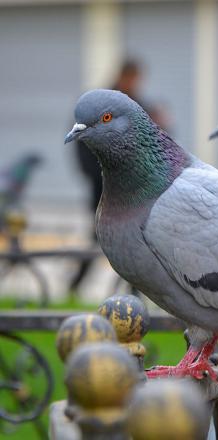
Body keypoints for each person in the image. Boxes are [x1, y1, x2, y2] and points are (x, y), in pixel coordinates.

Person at [69, 59, 171, 292]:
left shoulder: (140, 105)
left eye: (138, 78)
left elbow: (157, 141)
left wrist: (164, 122)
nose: (135, 82)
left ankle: (133, 292)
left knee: (137, 240)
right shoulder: (99, 106)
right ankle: (76, 284)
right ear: (124, 76)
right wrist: (95, 175)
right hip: (103, 187)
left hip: (137, 190)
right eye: (132, 77)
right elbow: (81, 142)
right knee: (99, 237)